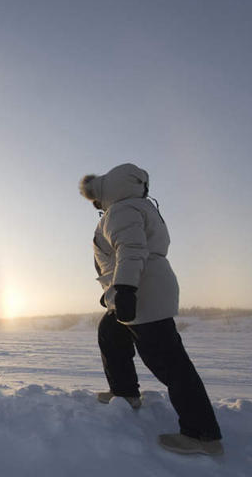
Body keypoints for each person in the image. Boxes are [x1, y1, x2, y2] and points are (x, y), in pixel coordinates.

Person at [79, 163, 223, 456]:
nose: (96, 204)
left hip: (143, 291)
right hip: (143, 286)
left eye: (96, 198)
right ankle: (125, 392)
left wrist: (126, 289)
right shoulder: (139, 206)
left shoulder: (121, 210)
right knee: (110, 332)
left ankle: (202, 435)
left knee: (171, 364)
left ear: (108, 190)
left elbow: (131, 250)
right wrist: (113, 291)